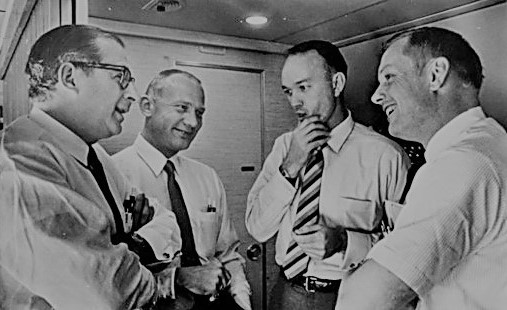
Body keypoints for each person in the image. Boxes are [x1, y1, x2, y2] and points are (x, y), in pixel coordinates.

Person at [0, 24, 182, 309]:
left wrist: (124, 248)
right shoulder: (20, 158)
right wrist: (134, 255)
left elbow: (164, 220)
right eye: (121, 77)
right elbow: (105, 292)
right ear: (70, 77)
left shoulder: (96, 156)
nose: (133, 93)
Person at [337, 27, 507, 310]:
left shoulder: (461, 164)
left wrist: (362, 276)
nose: (376, 96)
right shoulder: (493, 142)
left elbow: (362, 300)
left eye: (389, 77)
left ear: (435, 74)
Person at [245, 40, 411, 310]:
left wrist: (346, 241)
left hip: (350, 296)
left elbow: (406, 250)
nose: (295, 102)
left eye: (303, 87)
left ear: (336, 84)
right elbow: (257, 228)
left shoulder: (387, 157)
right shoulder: (284, 147)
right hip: (285, 291)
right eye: (288, 91)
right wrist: (290, 167)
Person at [112, 69, 252, 310]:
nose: (193, 123)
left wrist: (243, 302)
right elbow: (108, 278)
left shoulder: (207, 177)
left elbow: (227, 254)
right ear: (146, 106)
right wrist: (179, 279)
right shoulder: (113, 176)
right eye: (181, 108)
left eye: (199, 113)